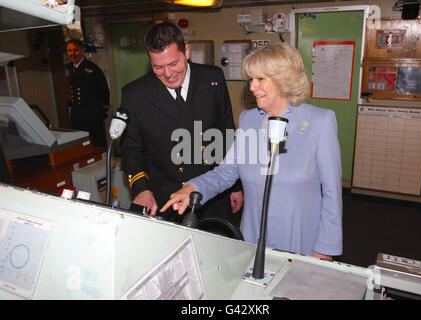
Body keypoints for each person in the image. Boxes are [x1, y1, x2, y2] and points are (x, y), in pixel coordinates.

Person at [162, 43, 343, 261]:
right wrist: (193, 187)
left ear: (283, 78)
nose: (252, 87)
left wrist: (325, 248)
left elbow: (332, 192)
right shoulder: (249, 120)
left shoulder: (319, 122)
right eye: (250, 80)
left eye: (260, 79)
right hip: (253, 238)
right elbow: (226, 172)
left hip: (301, 240)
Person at [120, 22, 243, 224]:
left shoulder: (213, 78)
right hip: (165, 199)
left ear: (186, 51)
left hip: (211, 195)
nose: (168, 74)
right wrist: (142, 189)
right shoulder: (135, 94)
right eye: (158, 67)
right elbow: (132, 151)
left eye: (173, 63)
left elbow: (226, 133)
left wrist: (236, 186)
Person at [66, 39, 110, 147]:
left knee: (96, 143)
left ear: (82, 51)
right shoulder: (69, 68)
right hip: (77, 114)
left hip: (91, 114)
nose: (72, 53)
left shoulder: (91, 68)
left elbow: (104, 90)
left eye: (75, 50)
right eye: (70, 51)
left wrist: (102, 108)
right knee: (80, 144)